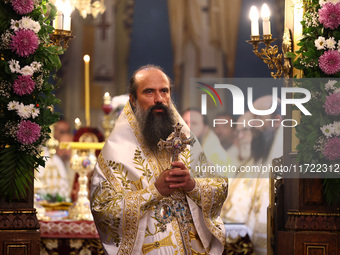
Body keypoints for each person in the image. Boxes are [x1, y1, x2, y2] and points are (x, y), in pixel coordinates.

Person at [90, 65, 228, 255]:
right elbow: (103, 210)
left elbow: (220, 185)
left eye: (164, 91)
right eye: (149, 92)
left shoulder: (183, 138)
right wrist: (154, 191)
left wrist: (192, 184)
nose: (159, 99)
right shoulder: (116, 151)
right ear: (133, 99)